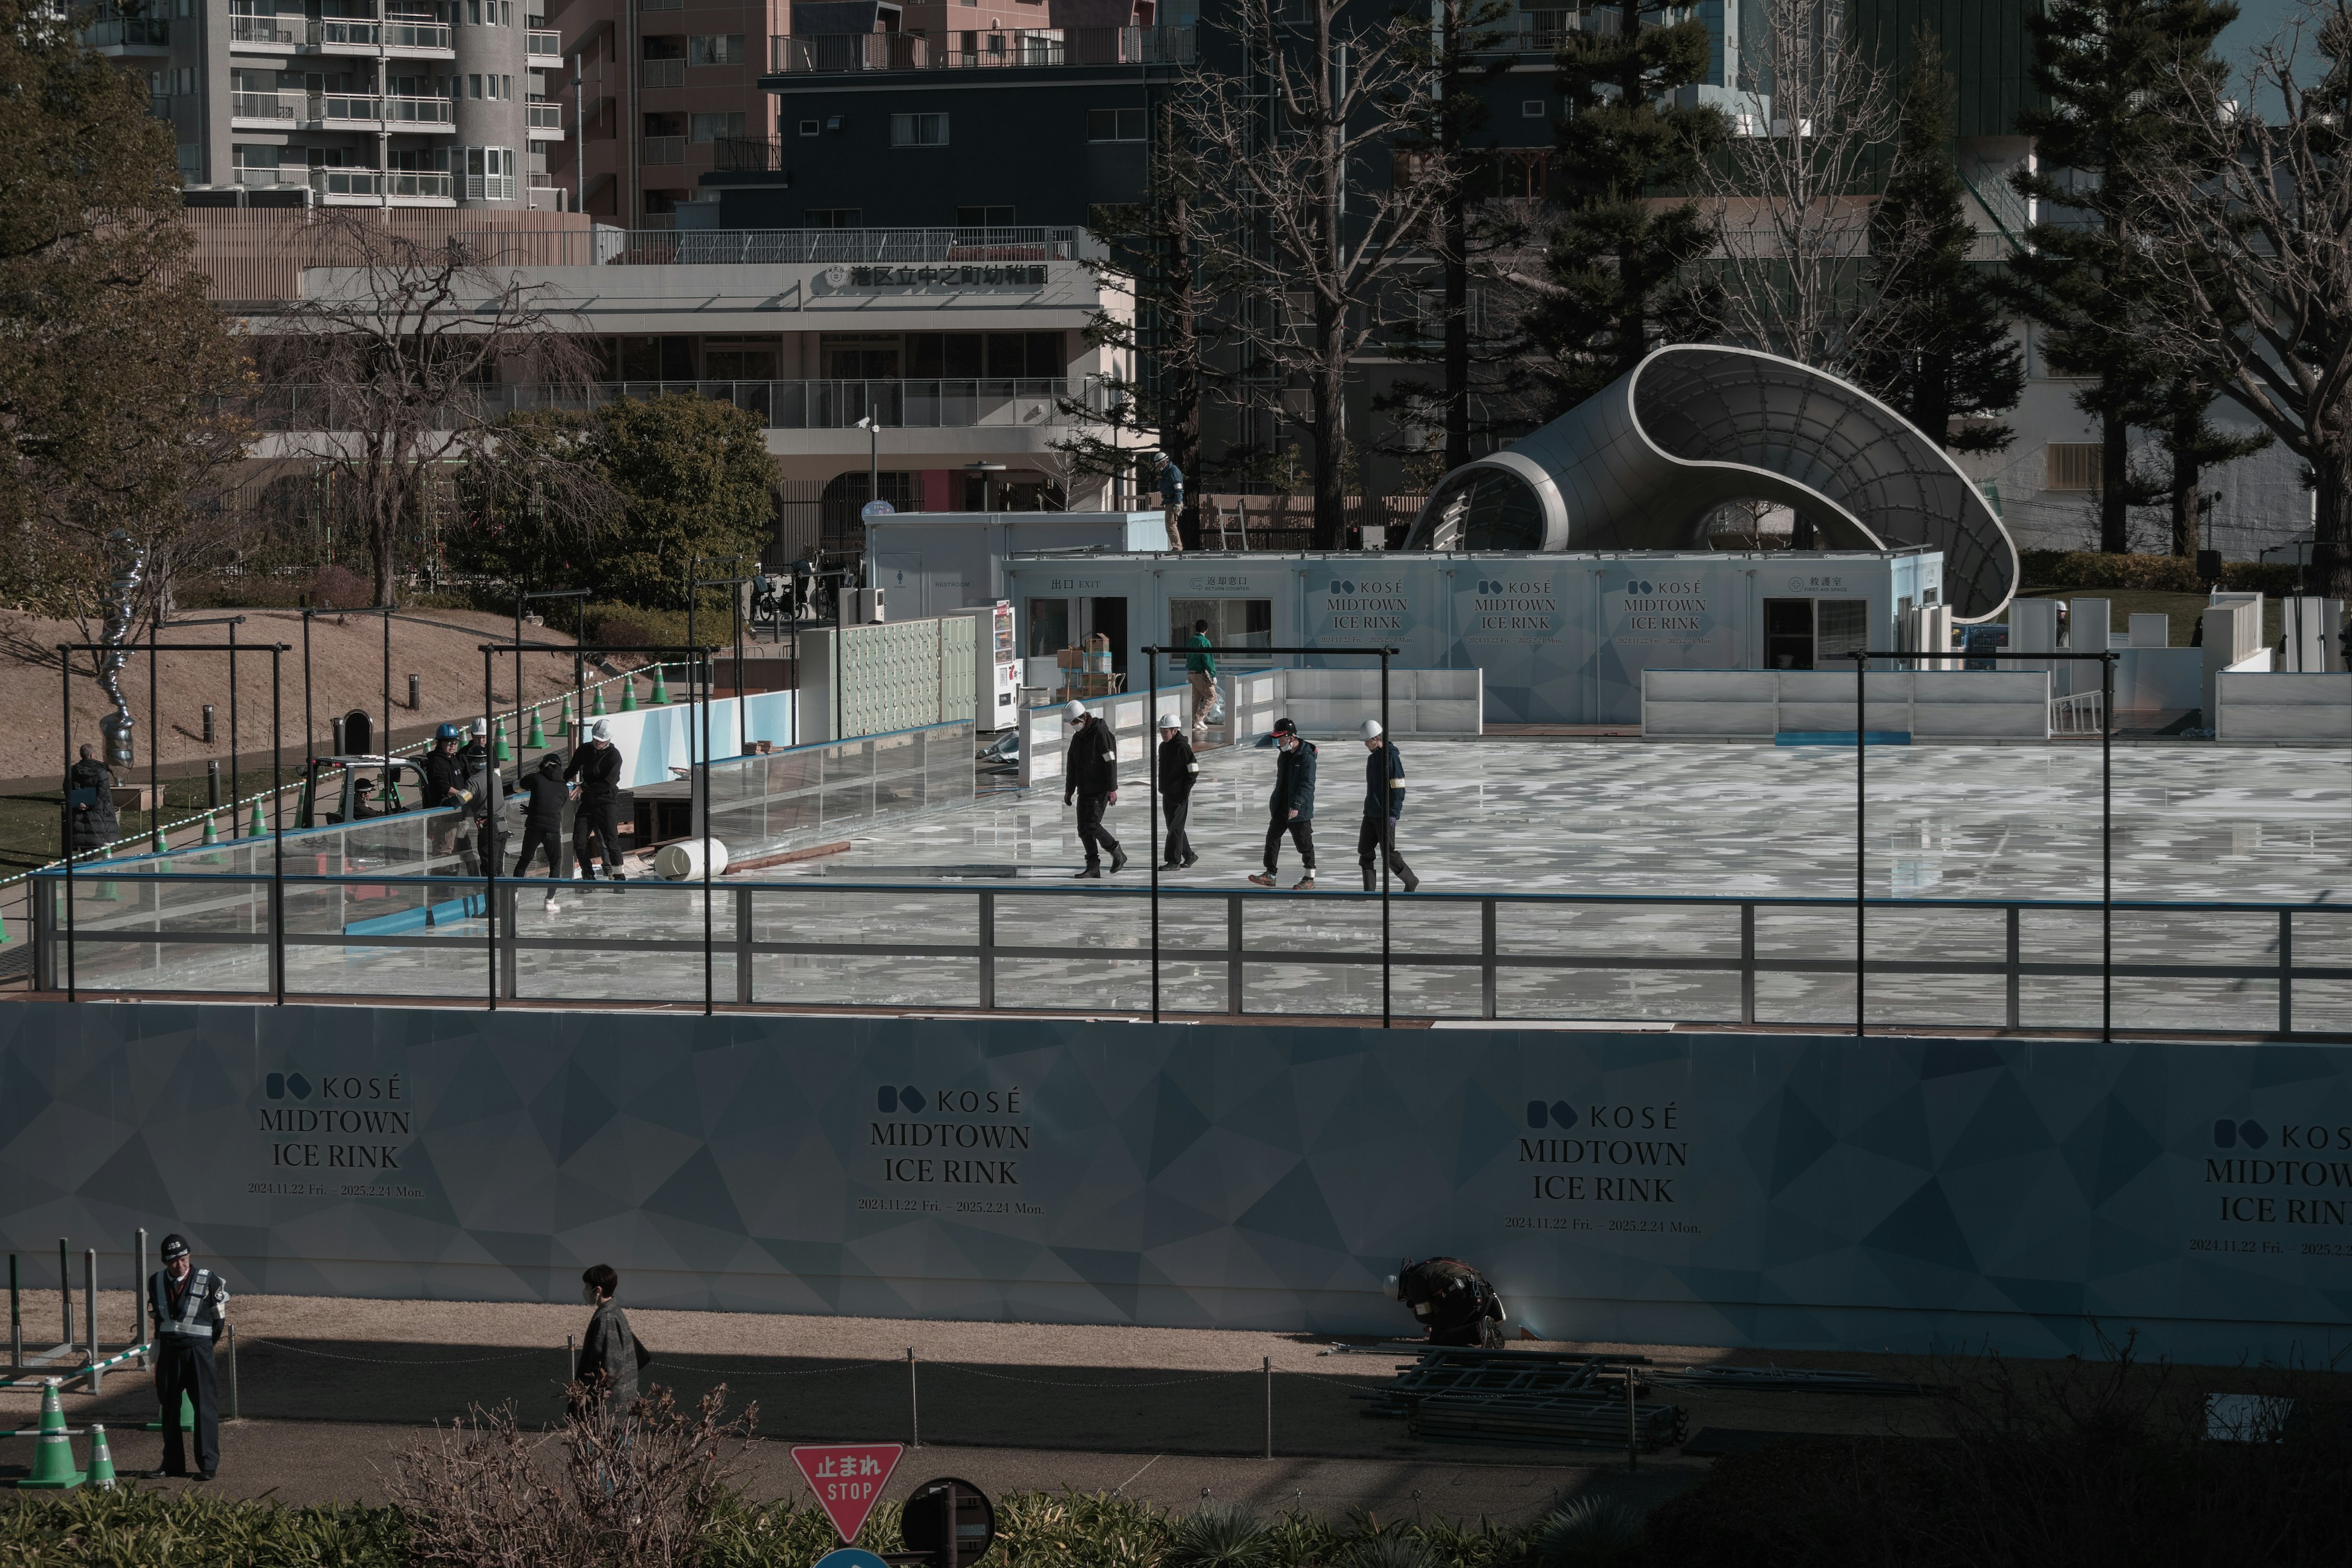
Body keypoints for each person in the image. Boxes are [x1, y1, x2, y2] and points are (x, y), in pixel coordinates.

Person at [145, 1233, 227, 1480]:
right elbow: (159, 1317)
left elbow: (219, 1321)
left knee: (204, 1408)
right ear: (164, 1261)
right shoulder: (156, 1281)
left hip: (199, 1351)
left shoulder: (209, 1280)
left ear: (189, 1255)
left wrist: (204, 1346)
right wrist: (157, 1347)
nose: (179, 1265)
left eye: (183, 1258)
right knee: (169, 1408)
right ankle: (172, 1464)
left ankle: (207, 1465)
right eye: (173, 1261)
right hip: (169, 1351)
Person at [1248, 717, 1317, 891]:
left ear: (1291, 737)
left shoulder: (1306, 757)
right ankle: (1270, 874)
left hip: (1298, 809)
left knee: (1304, 844)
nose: (1279, 742)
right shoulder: (1284, 754)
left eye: (1281, 738)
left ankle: (1309, 878)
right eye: (1277, 738)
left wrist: (1296, 805)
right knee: (1272, 838)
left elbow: (1307, 784)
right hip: (1281, 806)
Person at [1061, 699, 1126, 878]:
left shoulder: (1100, 733)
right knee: (1083, 829)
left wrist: (1112, 788)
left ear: (1083, 718)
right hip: (1085, 788)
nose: (1073, 727)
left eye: (1074, 723)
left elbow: (1110, 762)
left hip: (1100, 788)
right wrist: (1069, 789)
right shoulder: (1079, 737)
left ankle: (1116, 851)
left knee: (1092, 825)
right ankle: (1093, 866)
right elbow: (1072, 764)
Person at [1356, 718, 1419, 893]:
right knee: (1365, 852)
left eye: (1367, 741)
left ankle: (1411, 881)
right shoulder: (1372, 759)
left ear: (1377, 738)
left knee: (1388, 854)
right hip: (1370, 813)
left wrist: (1393, 812)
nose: (1365, 745)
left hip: (1384, 815)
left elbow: (1398, 786)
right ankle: (1369, 892)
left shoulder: (1391, 757)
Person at [573, 1263, 646, 1411]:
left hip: (611, 1406)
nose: (585, 1291)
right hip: (619, 1400)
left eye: (587, 1287)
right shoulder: (613, 1311)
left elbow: (612, 1365)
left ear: (597, 1290)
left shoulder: (606, 1318)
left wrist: (594, 1393)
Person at [565, 720, 627, 881]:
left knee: (610, 841)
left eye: (600, 740)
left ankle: (618, 876)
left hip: (606, 803)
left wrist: (584, 787)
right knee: (579, 840)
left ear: (608, 739)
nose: (597, 742)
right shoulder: (586, 750)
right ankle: (588, 874)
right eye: (595, 739)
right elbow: (571, 769)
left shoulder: (614, 756)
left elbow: (608, 784)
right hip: (588, 804)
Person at [514, 752, 573, 911]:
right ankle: (550, 901)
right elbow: (553, 807)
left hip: (534, 826)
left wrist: (531, 811)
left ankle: (513, 897)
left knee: (524, 860)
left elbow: (520, 785)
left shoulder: (536, 778)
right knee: (555, 864)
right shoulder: (564, 787)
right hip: (552, 830)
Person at [1156, 712, 1199, 869]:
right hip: (1168, 793)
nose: (1162, 735)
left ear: (1175, 731)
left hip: (1179, 794)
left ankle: (1173, 861)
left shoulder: (1183, 747)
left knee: (1174, 827)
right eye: (1161, 731)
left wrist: (1185, 790)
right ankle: (1189, 855)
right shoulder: (1163, 747)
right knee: (1175, 827)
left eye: (1165, 731)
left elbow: (1193, 770)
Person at [67, 744, 119, 853]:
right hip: (98, 810)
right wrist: (92, 803)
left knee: (84, 838)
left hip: (79, 810)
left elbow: (68, 788)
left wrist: (80, 803)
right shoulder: (101, 771)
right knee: (99, 839)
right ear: (92, 755)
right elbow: (103, 791)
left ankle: (87, 858)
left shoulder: (73, 771)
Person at [1185, 619, 1217, 741]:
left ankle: (1193, 722)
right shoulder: (1204, 642)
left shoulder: (1190, 641)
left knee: (1196, 698)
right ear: (1206, 630)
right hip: (1200, 674)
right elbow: (1208, 659)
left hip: (1190, 673)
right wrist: (1213, 674)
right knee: (1212, 696)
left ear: (1196, 629)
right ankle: (1198, 717)